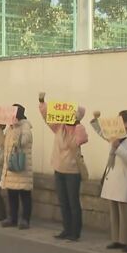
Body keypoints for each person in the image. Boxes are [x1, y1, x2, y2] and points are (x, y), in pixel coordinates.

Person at [39, 92, 89, 241]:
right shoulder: (59, 127)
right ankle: (66, 229)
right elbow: (47, 117)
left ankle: (75, 232)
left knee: (73, 202)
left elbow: (82, 140)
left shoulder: (79, 129)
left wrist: (76, 123)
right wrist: (42, 102)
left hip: (72, 171)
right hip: (58, 168)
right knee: (63, 201)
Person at [91, 110, 127, 252]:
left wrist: (117, 146)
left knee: (126, 213)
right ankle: (117, 239)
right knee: (114, 211)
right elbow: (103, 133)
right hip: (114, 178)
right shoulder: (116, 135)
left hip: (125, 179)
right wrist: (96, 121)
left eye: (120, 121)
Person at [0, 104, 34, 229]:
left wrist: (15, 128)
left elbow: (21, 142)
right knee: (12, 194)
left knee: (24, 194)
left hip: (22, 167)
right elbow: (3, 143)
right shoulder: (10, 128)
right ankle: (12, 218)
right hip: (11, 166)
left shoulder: (25, 127)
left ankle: (25, 219)